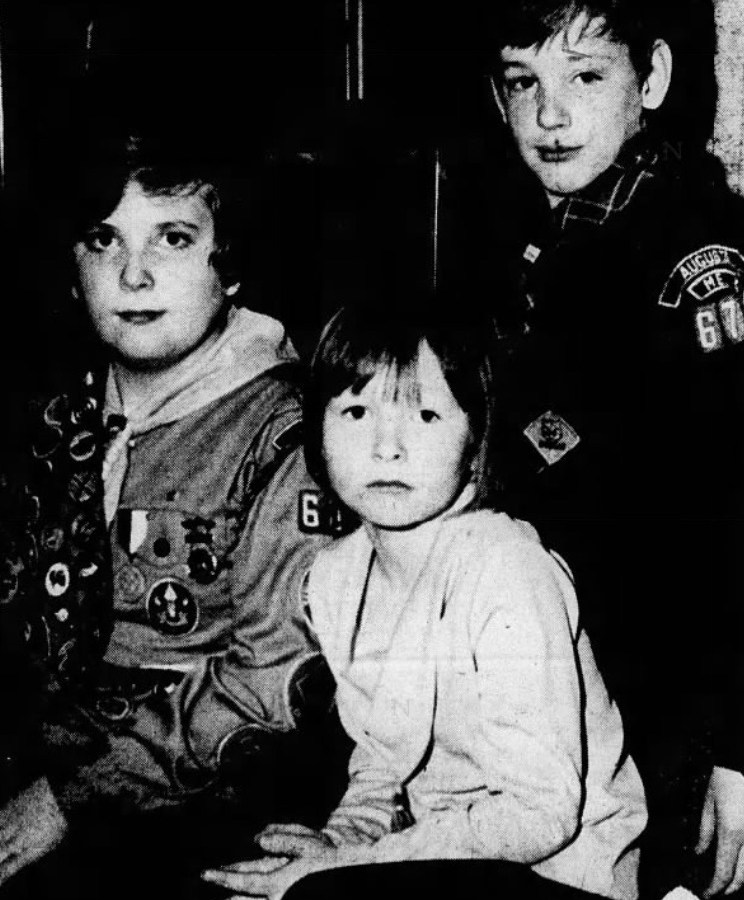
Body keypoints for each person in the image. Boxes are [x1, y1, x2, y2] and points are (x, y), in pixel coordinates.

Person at [202, 298, 647, 900]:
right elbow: (384, 756)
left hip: (566, 872)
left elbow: (543, 813)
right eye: (356, 411)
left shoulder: (506, 568)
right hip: (439, 854)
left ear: (475, 437)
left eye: (427, 415)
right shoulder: (335, 576)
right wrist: (344, 839)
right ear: (318, 431)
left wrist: (359, 866)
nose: (387, 447)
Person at [0, 131, 346, 898]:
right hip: (38, 775)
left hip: (202, 805)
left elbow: (273, 681)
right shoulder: (52, 416)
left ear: (232, 264)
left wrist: (72, 797)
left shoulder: (287, 432)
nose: (133, 273)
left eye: (174, 238)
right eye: (104, 240)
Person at [449, 1, 744, 895]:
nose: (550, 114)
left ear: (651, 79)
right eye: (522, 82)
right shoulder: (522, 238)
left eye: (585, 75)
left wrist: (738, 748)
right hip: (554, 683)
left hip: (676, 700)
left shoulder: (694, 254)